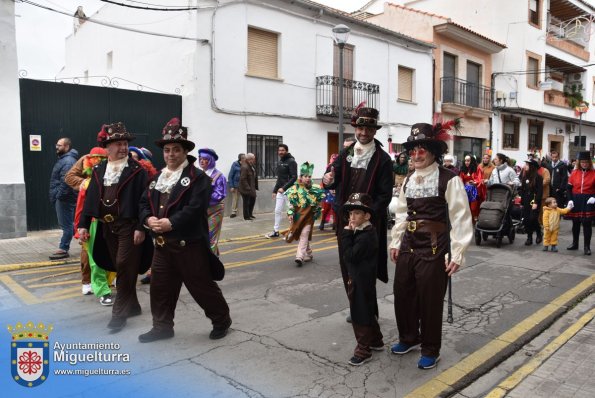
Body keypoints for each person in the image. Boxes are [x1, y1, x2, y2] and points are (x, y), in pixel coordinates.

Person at [137, 118, 232, 343]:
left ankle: (221, 320)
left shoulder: (199, 178)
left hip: (188, 244)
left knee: (202, 287)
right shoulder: (156, 178)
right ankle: (162, 327)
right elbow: (142, 204)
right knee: (160, 289)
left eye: (176, 150)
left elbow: (196, 207)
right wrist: (148, 219)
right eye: (167, 150)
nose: (171, 154)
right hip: (161, 245)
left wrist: (172, 223)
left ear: (185, 151)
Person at [389, 121, 473, 370]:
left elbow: (460, 217)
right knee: (403, 294)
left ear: (433, 152)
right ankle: (409, 338)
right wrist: (395, 241)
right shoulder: (408, 181)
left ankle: (430, 349)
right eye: (412, 150)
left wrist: (457, 254)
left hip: (435, 248)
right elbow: (402, 213)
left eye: (421, 150)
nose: (415, 155)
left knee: (429, 300)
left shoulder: (449, 179)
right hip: (409, 244)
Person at [78, 122, 152, 331]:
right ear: (107, 147)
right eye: (118, 144)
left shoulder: (138, 171)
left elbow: (144, 201)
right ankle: (134, 305)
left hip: (129, 226)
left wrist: (141, 227)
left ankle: (119, 313)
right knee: (121, 266)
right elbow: (91, 198)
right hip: (106, 228)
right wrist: (84, 224)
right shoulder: (99, 169)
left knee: (124, 265)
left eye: (125, 143)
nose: (123, 148)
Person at [322, 106, 393, 322]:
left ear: (374, 131)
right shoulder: (346, 154)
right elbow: (332, 176)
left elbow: (385, 195)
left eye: (369, 129)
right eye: (361, 128)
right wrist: (328, 179)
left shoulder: (383, 159)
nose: (364, 133)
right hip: (345, 221)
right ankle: (355, 307)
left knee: (366, 269)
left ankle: (369, 312)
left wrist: (368, 216)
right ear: (356, 128)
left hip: (369, 224)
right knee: (347, 266)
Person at [65, 146, 114, 303]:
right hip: (93, 221)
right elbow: (81, 206)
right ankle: (93, 285)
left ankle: (106, 282)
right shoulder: (87, 177)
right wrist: (80, 227)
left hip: (113, 221)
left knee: (113, 253)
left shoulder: (119, 164)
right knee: (92, 256)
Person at [341, 193, 384, 366]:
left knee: (360, 312)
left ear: (367, 215)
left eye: (357, 213)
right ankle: (376, 340)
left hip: (361, 279)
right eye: (351, 213)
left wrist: (346, 235)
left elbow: (350, 255)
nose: (352, 217)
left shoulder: (366, 235)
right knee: (365, 308)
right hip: (361, 278)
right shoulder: (363, 231)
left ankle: (363, 349)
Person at [284, 162, 325, 266]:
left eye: (309, 176)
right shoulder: (294, 190)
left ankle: (299, 256)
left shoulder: (315, 189)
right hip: (298, 217)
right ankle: (309, 252)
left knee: (304, 234)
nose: (307, 178)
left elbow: (318, 205)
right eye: (305, 176)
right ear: (300, 177)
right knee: (302, 235)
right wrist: (290, 214)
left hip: (308, 218)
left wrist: (317, 211)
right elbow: (291, 205)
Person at [49, 137, 79, 260]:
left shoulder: (67, 161)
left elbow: (66, 181)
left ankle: (63, 248)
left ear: (66, 147)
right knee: (68, 224)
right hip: (66, 197)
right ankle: (82, 234)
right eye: (57, 144)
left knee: (66, 225)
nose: (57, 147)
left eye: (59, 145)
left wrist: (59, 196)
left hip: (65, 198)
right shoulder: (66, 159)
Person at [198, 148, 227, 256]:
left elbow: (219, 195)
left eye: (204, 159)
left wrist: (201, 198)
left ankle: (211, 264)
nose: (201, 161)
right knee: (203, 235)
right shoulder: (199, 174)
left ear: (210, 160)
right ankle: (214, 256)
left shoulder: (219, 176)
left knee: (211, 236)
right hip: (201, 210)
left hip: (215, 210)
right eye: (200, 158)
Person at [566, 151, 595, 255]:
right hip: (576, 200)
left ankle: (587, 247)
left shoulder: (594, 173)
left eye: (586, 162)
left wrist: (594, 198)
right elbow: (569, 188)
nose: (584, 164)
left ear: (589, 162)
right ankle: (575, 243)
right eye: (582, 162)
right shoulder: (574, 173)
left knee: (587, 224)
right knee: (575, 223)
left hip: (588, 201)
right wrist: (569, 199)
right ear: (579, 162)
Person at [266, 144, 297, 238]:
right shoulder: (280, 162)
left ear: (286, 151)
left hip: (289, 191)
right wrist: (275, 191)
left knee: (290, 211)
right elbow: (279, 179)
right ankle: (275, 231)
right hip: (280, 191)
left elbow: (294, 177)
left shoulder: (291, 162)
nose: (280, 152)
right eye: (279, 150)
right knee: (277, 211)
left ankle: (293, 231)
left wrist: (284, 188)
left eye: (282, 150)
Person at [519, 159, 543, 246]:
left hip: (534, 200)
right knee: (526, 219)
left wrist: (536, 202)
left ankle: (539, 232)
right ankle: (529, 237)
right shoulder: (525, 176)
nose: (525, 166)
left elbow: (540, 191)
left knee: (533, 218)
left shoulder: (538, 177)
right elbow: (522, 189)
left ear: (532, 167)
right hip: (526, 200)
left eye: (527, 165)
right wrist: (521, 200)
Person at [459, 155, 484, 223]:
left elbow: (480, 179)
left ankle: (474, 220)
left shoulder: (477, 169)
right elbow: (460, 179)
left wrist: (474, 182)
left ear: (472, 161)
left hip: (474, 191)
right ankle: (467, 221)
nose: (466, 162)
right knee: (465, 206)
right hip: (465, 190)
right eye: (465, 161)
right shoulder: (463, 169)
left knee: (473, 208)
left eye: (468, 161)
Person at [319, 154, 338, 231]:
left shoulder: (340, 167)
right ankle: (322, 222)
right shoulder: (329, 167)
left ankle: (335, 224)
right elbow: (325, 178)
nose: (333, 161)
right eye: (332, 159)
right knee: (326, 207)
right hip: (328, 190)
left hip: (336, 190)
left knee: (335, 208)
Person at [239, 153, 257, 220]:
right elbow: (243, 179)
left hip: (252, 187)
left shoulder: (251, 166)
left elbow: (254, 176)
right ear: (250, 159)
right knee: (246, 202)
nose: (254, 160)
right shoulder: (245, 167)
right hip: (246, 189)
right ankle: (246, 216)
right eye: (254, 159)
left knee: (252, 200)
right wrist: (248, 188)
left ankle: (250, 214)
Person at [227, 153, 245, 218]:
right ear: (240, 158)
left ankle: (246, 212)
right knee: (235, 199)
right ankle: (233, 212)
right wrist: (231, 186)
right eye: (243, 157)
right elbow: (230, 176)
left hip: (243, 185)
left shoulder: (245, 164)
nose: (245, 158)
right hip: (236, 185)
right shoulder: (235, 164)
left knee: (245, 198)